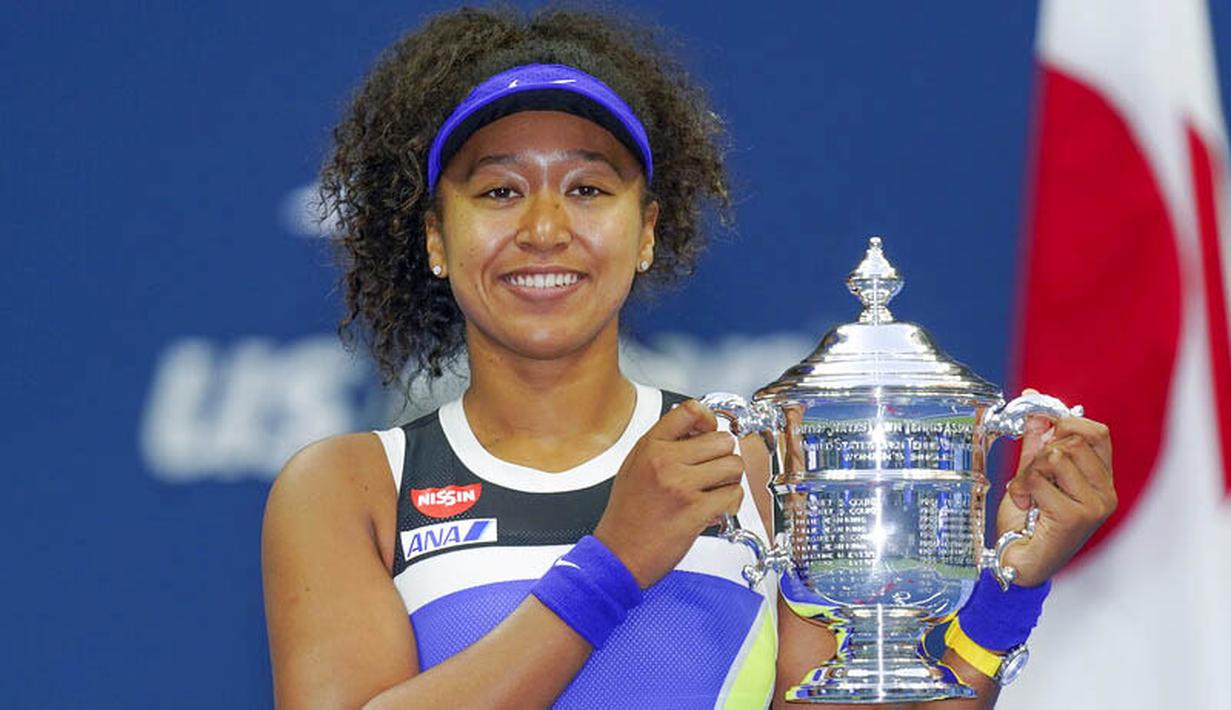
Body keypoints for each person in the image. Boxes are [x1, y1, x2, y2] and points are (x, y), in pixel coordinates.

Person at [261, 7, 1116, 709]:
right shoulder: (352, 488)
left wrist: (1005, 598)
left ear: (648, 233)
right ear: (435, 240)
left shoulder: (749, 468)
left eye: (589, 188)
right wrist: (615, 561)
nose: (546, 228)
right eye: (498, 191)